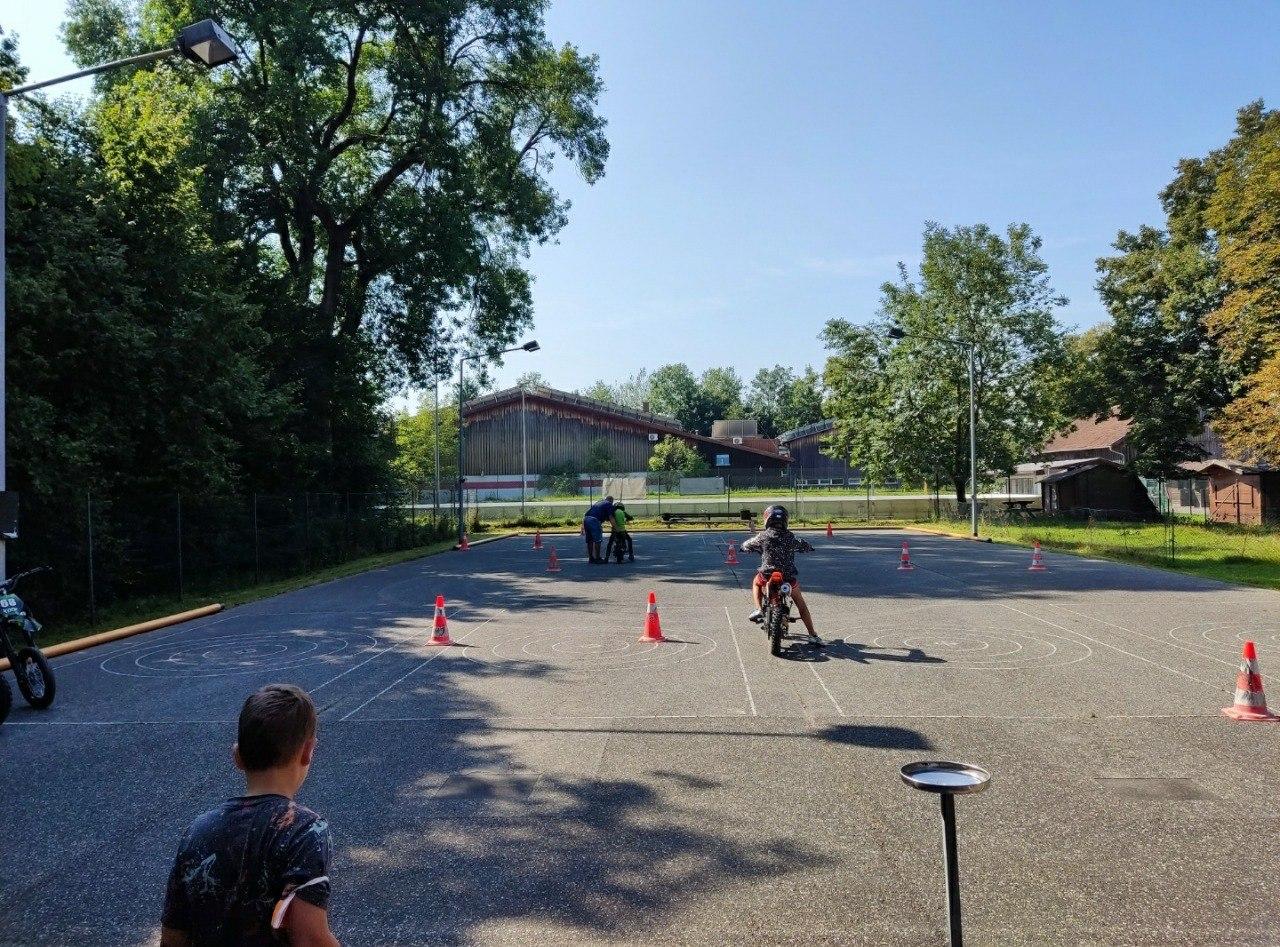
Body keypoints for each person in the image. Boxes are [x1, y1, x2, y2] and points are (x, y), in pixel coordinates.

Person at [161, 684, 339, 947]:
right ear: (307, 751)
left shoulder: (198, 829)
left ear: (238, 756)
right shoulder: (306, 831)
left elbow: (173, 937)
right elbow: (309, 939)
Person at [741, 504, 823, 647]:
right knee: (801, 605)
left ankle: (758, 609)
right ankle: (812, 635)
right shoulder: (791, 537)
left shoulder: (763, 536)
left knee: (756, 581)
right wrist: (808, 548)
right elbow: (805, 545)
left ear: (767, 519)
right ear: (785, 520)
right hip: (787, 577)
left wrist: (745, 548)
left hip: (767, 576)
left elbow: (747, 544)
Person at [582, 495, 616, 564]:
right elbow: (610, 517)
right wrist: (615, 527)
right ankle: (597, 558)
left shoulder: (599, 502)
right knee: (598, 540)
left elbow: (586, 513)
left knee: (590, 540)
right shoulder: (609, 504)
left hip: (586, 519)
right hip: (594, 520)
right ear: (611, 501)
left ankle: (591, 558)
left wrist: (582, 527)